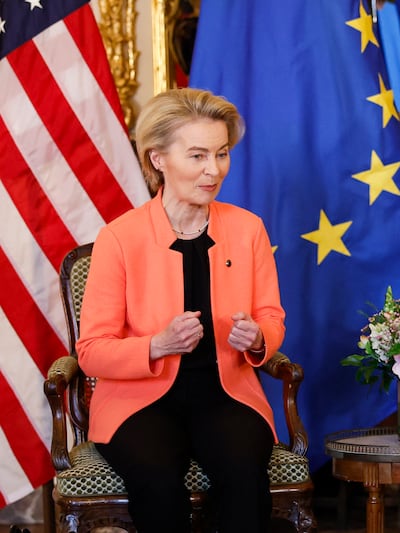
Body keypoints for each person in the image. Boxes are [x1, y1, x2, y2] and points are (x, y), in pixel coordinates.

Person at [76, 87, 285, 533]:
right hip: (138, 402)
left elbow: (271, 317)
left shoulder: (248, 229)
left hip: (227, 394)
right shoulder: (119, 238)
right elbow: (91, 351)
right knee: (158, 484)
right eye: (197, 156)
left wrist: (258, 338)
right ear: (158, 159)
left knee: (245, 477)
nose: (214, 169)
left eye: (222, 153)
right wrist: (156, 345)